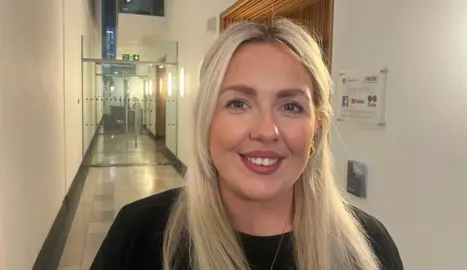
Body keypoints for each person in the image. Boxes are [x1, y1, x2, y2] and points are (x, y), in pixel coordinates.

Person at [91, 18, 403, 270]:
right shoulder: (140, 233)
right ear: (206, 120)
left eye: (291, 106)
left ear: (317, 129)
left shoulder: (369, 246)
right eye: (238, 103)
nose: (267, 131)